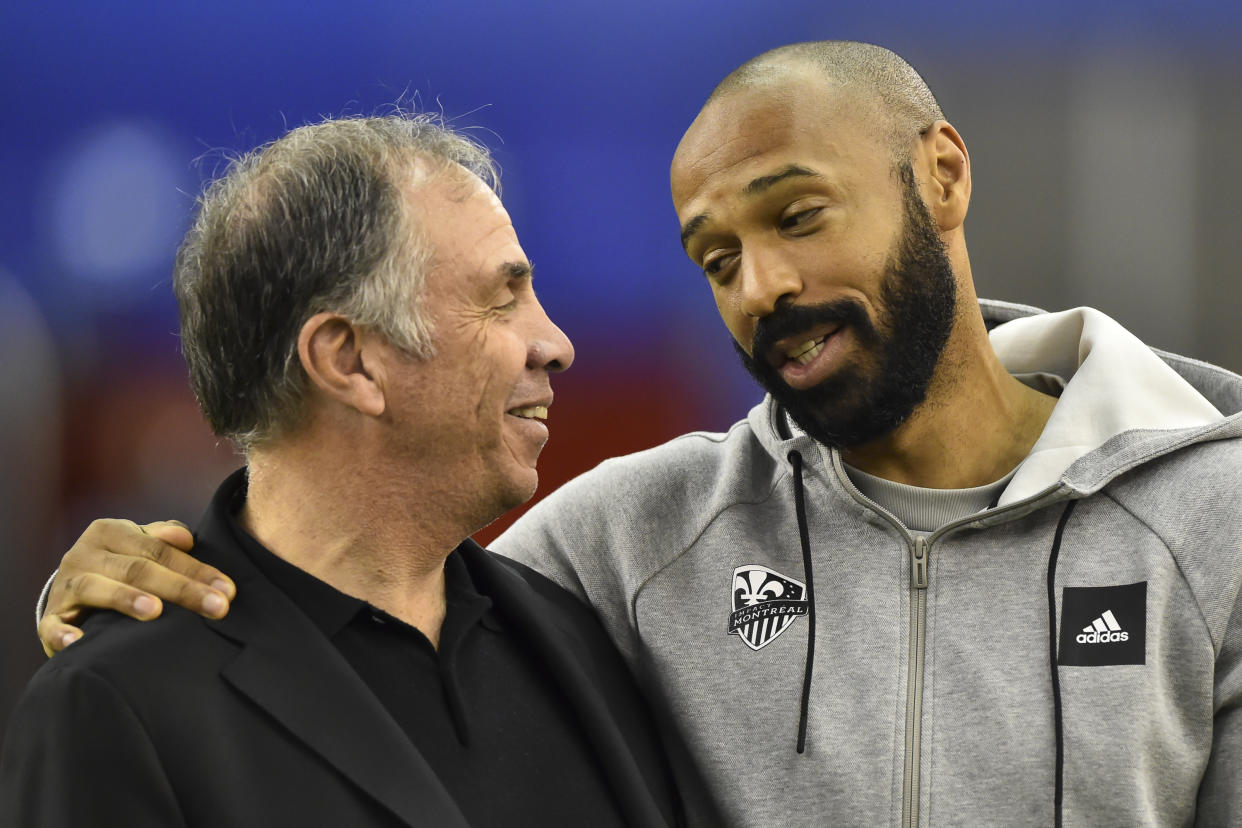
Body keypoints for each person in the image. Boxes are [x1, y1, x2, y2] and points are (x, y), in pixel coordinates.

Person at [34, 42, 1242, 826]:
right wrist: (130, 576)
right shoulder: (639, 541)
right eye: (716, 260)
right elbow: (344, 574)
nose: (759, 286)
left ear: (941, 176)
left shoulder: (1215, 517)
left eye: (799, 214)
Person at [3, 114, 694, 827]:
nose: (555, 343)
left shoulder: (586, 646)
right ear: (348, 360)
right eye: (500, 299)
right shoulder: (118, 703)